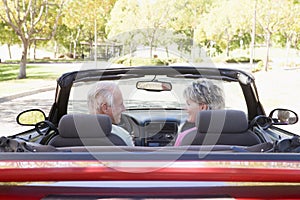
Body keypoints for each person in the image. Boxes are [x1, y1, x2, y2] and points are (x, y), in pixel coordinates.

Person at [174, 79, 225, 146]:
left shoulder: (185, 137)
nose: (185, 108)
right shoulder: (238, 135)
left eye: (188, 104)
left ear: (203, 107)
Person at [87, 81, 134, 146]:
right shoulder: (122, 136)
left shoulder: (73, 133)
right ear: (105, 108)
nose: (124, 109)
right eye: (120, 104)